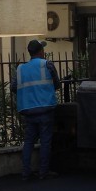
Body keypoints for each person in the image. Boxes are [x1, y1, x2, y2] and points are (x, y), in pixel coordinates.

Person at [14, 39, 60, 181]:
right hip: (45, 109)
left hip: (28, 110)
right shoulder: (47, 64)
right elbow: (57, 84)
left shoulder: (21, 68)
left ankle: (26, 173)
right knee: (45, 141)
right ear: (41, 51)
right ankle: (43, 172)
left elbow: (13, 87)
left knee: (28, 142)